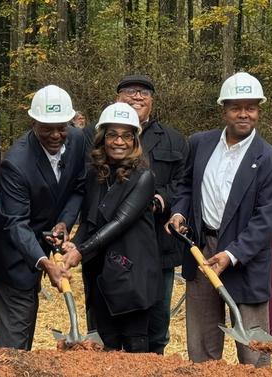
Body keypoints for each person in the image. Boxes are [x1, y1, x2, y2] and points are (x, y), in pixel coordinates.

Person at [166, 72, 272, 367]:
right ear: (223, 110)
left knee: (253, 351)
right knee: (202, 345)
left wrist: (232, 254)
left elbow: (266, 221)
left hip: (244, 259)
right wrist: (178, 213)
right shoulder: (199, 144)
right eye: (236, 107)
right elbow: (186, 185)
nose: (244, 114)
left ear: (259, 111)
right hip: (201, 250)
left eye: (250, 107)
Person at [0, 85, 86, 349]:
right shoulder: (16, 163)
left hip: (41, 238)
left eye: (61, 127)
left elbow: (77, 188)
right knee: (17, 340)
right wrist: (44, 262)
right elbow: (16, 224)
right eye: (46, 128)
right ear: (33, 122)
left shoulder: (77, 141)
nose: (55, 135)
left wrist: (64, 221)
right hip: (12, 255)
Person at [60, 102, 161, 353]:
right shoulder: (96, 173)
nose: (119, 142)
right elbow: (90, 220)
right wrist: (75, 241)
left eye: (127, 136)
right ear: (102, 138)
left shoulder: (143, 177)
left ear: (135, 140)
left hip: (132, 276)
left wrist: (81, 251)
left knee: (136, 352)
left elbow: (120, 222)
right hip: (101, 275)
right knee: (105, 349)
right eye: (113, 135)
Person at [114, 74, 189, 355]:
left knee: (157, 325)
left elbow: (183, 182)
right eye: (130, 91)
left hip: (159, 245)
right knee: (112, 325)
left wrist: (160, 200)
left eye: (144, 93)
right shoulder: (102, 136)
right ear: (116, 98)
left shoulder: (174, 140)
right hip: (113, 246)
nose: (137, 97)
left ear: (152, 101)